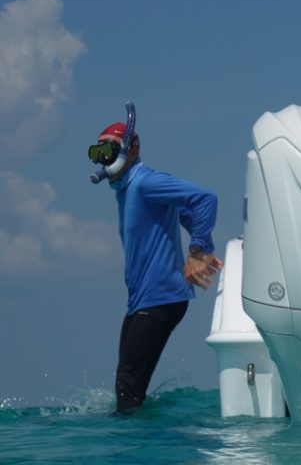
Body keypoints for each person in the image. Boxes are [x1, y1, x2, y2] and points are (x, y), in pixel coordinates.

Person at [88, 121, 222, 412]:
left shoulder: (144, 181)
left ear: (132, 149)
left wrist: (199, 249)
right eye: (97, 153)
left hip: (162, 297)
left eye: (108, 151)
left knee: (128, 389)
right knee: (127, 387)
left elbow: (204, 199)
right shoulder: (127, 188)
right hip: (143, 299)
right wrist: (203, 245)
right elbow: (183, 209)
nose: (103, 160)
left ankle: (137, 452)